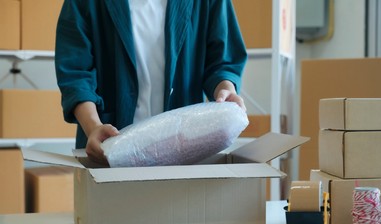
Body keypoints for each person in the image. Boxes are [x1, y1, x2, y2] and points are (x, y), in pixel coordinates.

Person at [55, 0, 248, 164]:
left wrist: (225, 89)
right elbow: (75, 70)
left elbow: (222, 60)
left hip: (184, 147)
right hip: (107, 146)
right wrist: (93, 127)